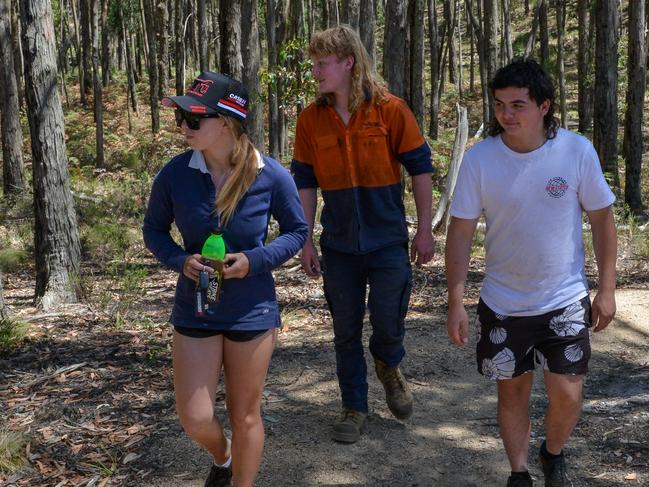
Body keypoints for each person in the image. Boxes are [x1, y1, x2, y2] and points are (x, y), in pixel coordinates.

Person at [445, 59, 617, 487]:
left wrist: (607, 288)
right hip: (503, 303)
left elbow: (602, 220)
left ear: (544, 106)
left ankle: (552, 451)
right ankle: (519, 472)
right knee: (512, 391)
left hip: (564, 298)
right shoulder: (480, 159)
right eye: (500, 104)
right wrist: (456, 298)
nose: (507, 114)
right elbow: (461, 231)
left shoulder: (575, 151)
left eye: (518, 104)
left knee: (567, 392)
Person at [143, 71, 307, 487]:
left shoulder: (269, 174)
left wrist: (254, 260)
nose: (183, 126)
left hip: (251, 310)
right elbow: (154, 231)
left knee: (245, 414)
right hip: (195, 308)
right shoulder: (175, 174)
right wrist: (181, 260)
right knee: (195, 417)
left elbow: (297, 231)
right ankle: (223, 456)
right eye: (180, 117)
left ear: (228, 122)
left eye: (193, 119)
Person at [291, 25, 435, 443]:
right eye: (314, 63)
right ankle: (354, 406)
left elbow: (420, 169)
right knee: (346, 329)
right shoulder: (310, 119)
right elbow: (304, 183)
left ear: (348, 62)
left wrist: (424, 230)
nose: (315, 70)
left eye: (323, 63)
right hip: (339, 244)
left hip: (388, 240)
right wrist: (303, 239)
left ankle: (389, 365)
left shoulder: (390, 110)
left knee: (388, 322)